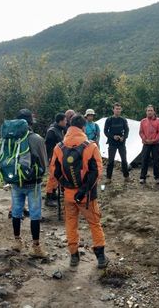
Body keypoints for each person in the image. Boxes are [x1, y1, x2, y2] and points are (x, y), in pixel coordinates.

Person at [49, 114, 108, 269]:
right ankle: (101, 257)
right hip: (87, 196)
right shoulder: (91, 146)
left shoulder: (59, 147)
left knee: (71, 224)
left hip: (68, 195)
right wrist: (83, 191)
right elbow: (96, 172)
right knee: (94, 223)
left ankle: (74, 256)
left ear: (69, 127)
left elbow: (54, 171)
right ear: (83, 128)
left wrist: (64, 184)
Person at [10, 109, 49, 257]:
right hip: (33, 183)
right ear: (30, 122)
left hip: (15, 181)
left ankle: (17, 242)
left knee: (16, 211)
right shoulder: (37, 139)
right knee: (35, 214)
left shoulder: (11, 137)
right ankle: (36, 247)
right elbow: (44, 163)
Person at [44, 113, 67, 207]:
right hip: (53, 157)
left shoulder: (60, 130)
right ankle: (48, 197)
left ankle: (53, 194)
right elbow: (48, 147)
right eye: (65, 120)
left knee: (57, 177)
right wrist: (51, 158)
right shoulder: (52, 131)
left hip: (58, 157)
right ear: (60, 121)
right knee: (52, 178)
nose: (66, 122)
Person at [104, 103, 130, 183]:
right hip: (112, 143)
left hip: (121, 143)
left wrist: (123, 137)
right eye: (116, 109)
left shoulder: (123, 120)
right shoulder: (109, 120)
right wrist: (113, 136)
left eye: (119, 109)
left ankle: (126, 177)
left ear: (121, 110)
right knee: (111, 160)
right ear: (113, 110)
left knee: (124, 160)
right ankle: (108, 178)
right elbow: (105, 131)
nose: (118, 110)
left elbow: (127, 131)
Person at [139, 105, 159, 184]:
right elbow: (141, 132)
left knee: (156, 160)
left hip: (155, 143)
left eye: (151, 110)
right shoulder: (143, 121)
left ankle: (157, 177)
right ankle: (142, 177)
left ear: (154, 112)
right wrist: (145, 139)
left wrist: (154, 140)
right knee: (144, 160)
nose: (149, 112)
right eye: (148, 110)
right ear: (146, 112)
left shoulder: (158, 120)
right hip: (146, 143)